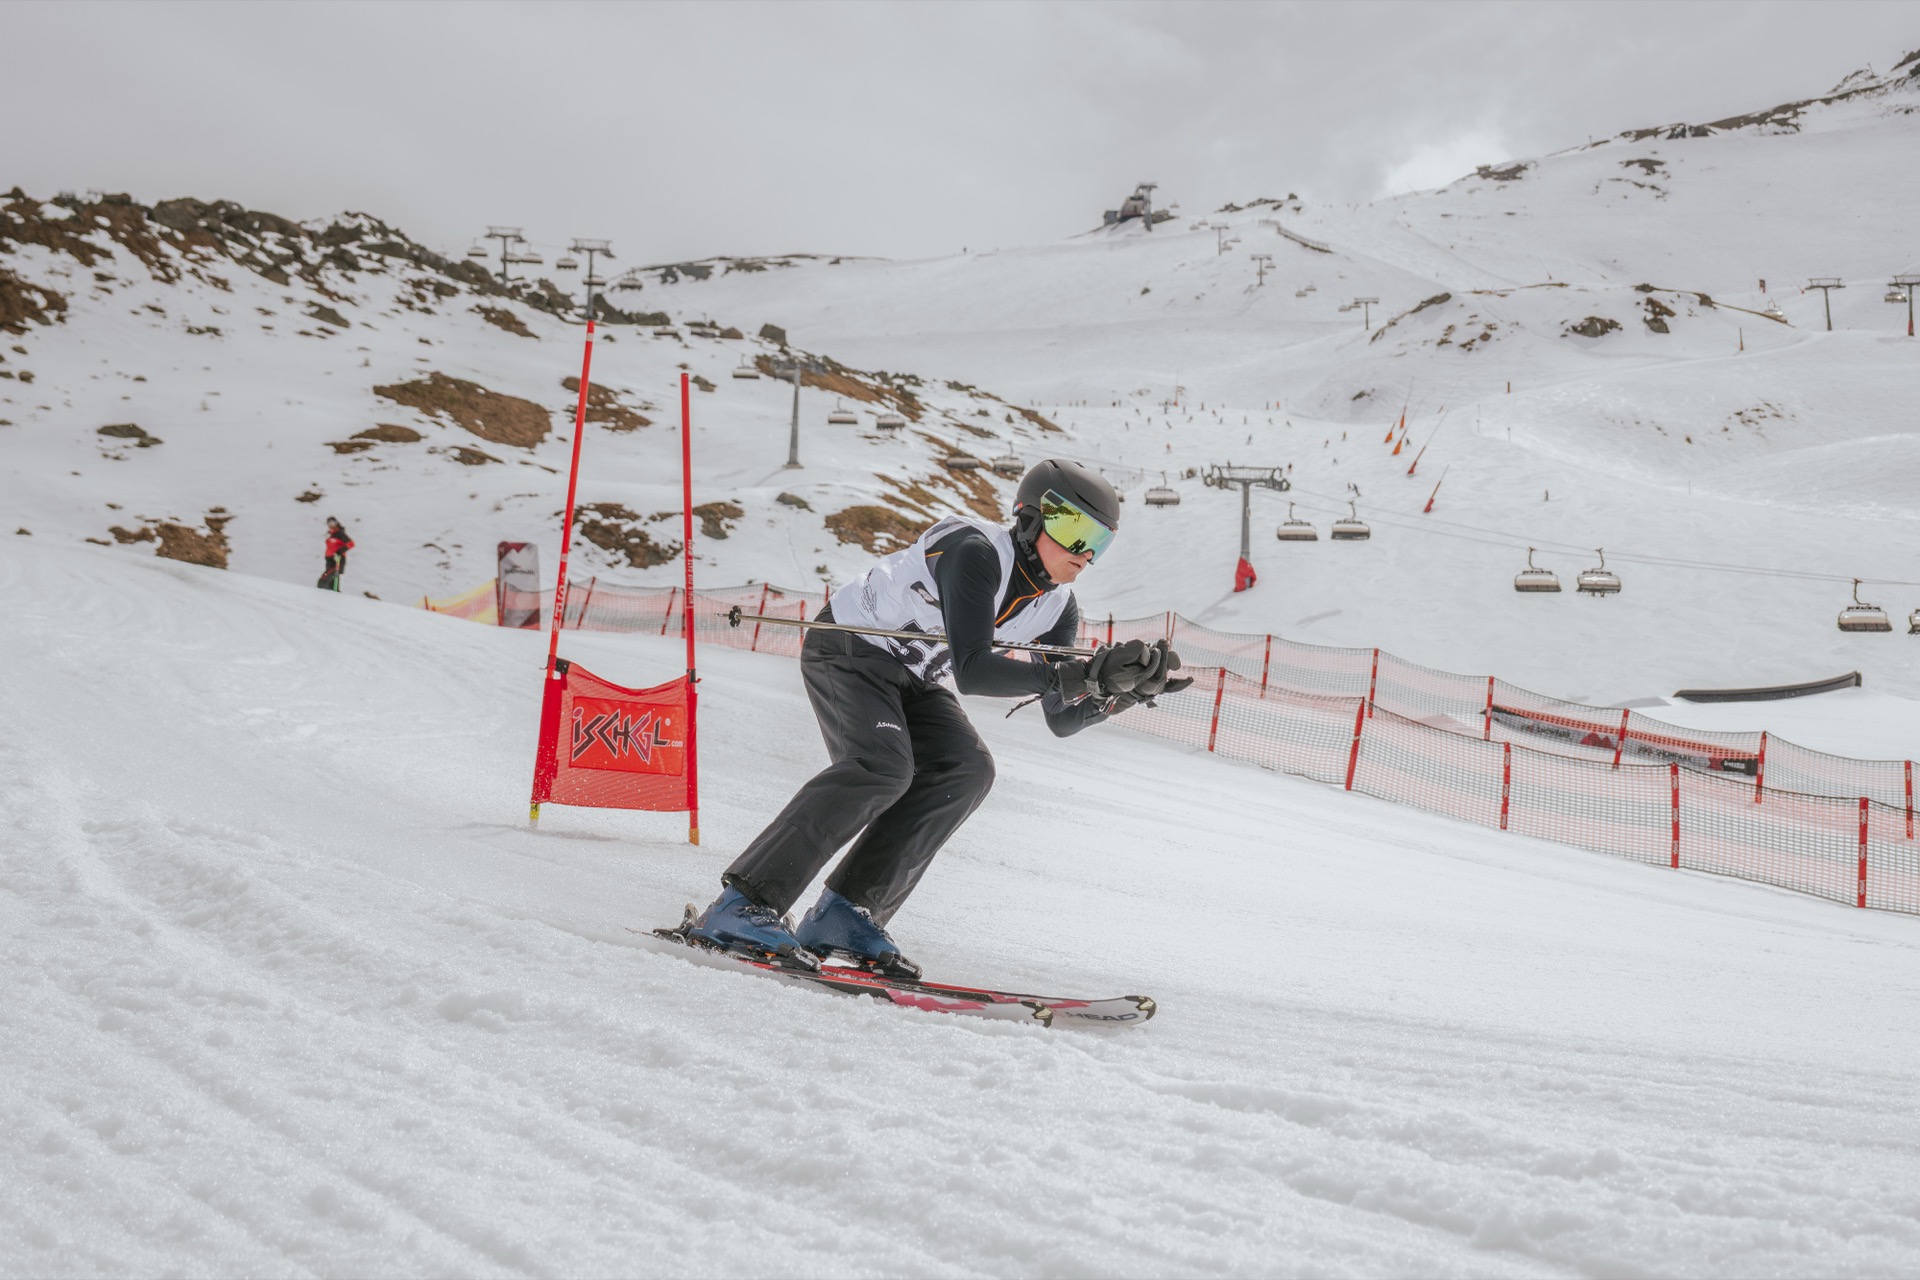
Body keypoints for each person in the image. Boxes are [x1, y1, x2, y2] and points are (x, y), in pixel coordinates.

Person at [683, 459, 1192, 977]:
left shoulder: (1058, 607)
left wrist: (1116, 692)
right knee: (881, 765)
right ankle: (741, 904)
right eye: (1074, 529)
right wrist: (1076, 675)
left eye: (1099, 541)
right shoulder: (976, 553)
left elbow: (1062, 718)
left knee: (966, 769)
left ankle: (843, 914)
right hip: (850, 648)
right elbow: (973, 670)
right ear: (1031, 517)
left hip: (913, 675)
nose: (1085, 553)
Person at [317, 517, 353, 591]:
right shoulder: (330, 534)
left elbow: (351, 543)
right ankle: (334, 594)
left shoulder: (340, 533)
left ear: (336, 523)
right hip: (329, 559)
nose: (331, 525)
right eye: (329, 523)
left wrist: (339, 551)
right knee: (332, 582)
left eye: (333, 523)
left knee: (323, 581)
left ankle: (326, 592)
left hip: (337, 559)